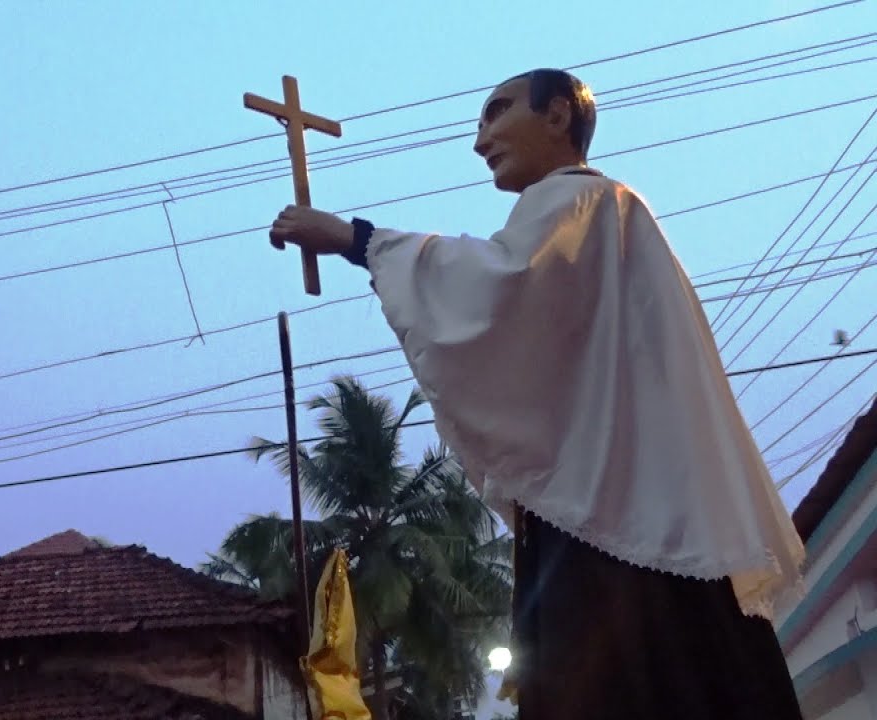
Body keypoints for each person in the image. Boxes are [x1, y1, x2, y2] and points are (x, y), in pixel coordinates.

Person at [268, 69, 806, 719]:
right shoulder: (611, 215)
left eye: (496, 113)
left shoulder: (582, 204)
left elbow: (500, 289)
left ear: (557, 117)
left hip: (618, 528)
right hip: (643, 513)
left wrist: (355, 239)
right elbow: (539, 349)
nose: (480, 140)